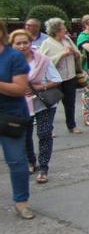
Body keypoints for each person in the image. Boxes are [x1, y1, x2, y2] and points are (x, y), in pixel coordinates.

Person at [11, 30, 59, 185]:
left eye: (25, 42)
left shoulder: (43, 60)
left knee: (44, 133)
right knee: (24, 136)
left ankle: (43, 169)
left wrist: (39, 87)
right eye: (18, 43)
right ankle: (32, 162)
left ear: (31, 43)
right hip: (20, 104)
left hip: (43, 103)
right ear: (12, 45)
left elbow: (56, 80)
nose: (22, 46)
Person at [0, 22, 33, 219]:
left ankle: (21, 202)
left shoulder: (14, 57)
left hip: (10, 116)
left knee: (17, 160)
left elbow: (21, 89)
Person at [39, 18, 81, 134]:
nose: (66, 30)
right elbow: (43, 62)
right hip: (55, 80)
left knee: (70, 104)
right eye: (63, 28)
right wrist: (62, 54)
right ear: (56, 31)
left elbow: (78, 53)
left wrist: (75, 53)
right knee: (52, 105)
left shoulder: (67, 39)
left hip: (70, 77)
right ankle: (49, 129)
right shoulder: (47, 43)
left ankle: (71, 126)